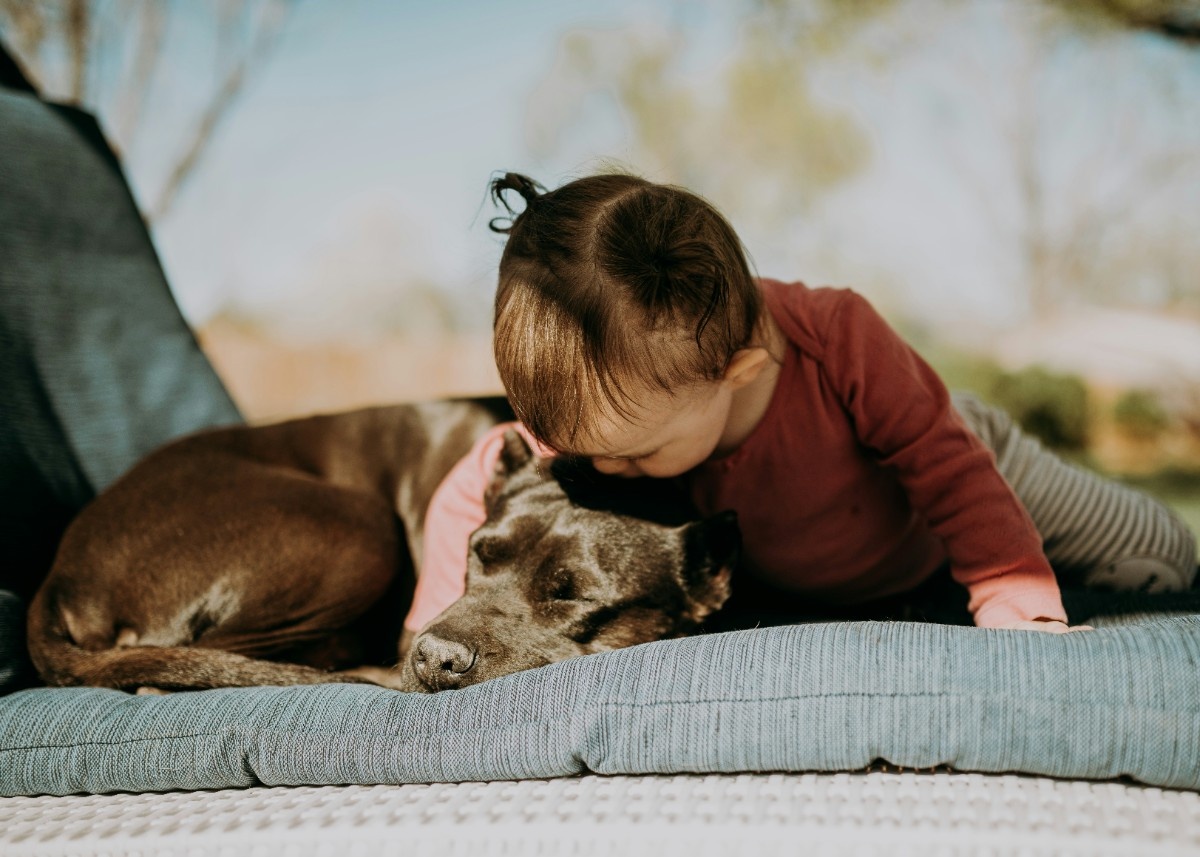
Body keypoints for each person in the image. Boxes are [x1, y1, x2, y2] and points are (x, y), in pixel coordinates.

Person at [402, 172, 1197, 637]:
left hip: (969, 461)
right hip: (854, 568)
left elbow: (945, 463)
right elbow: (478, 474)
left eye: (636, 455)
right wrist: (434, 619)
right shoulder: (612, 418)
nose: (606, 470)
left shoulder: (838, 336)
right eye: (578, 447)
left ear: (740, 371)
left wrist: (1008, 584)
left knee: (1161, 559)